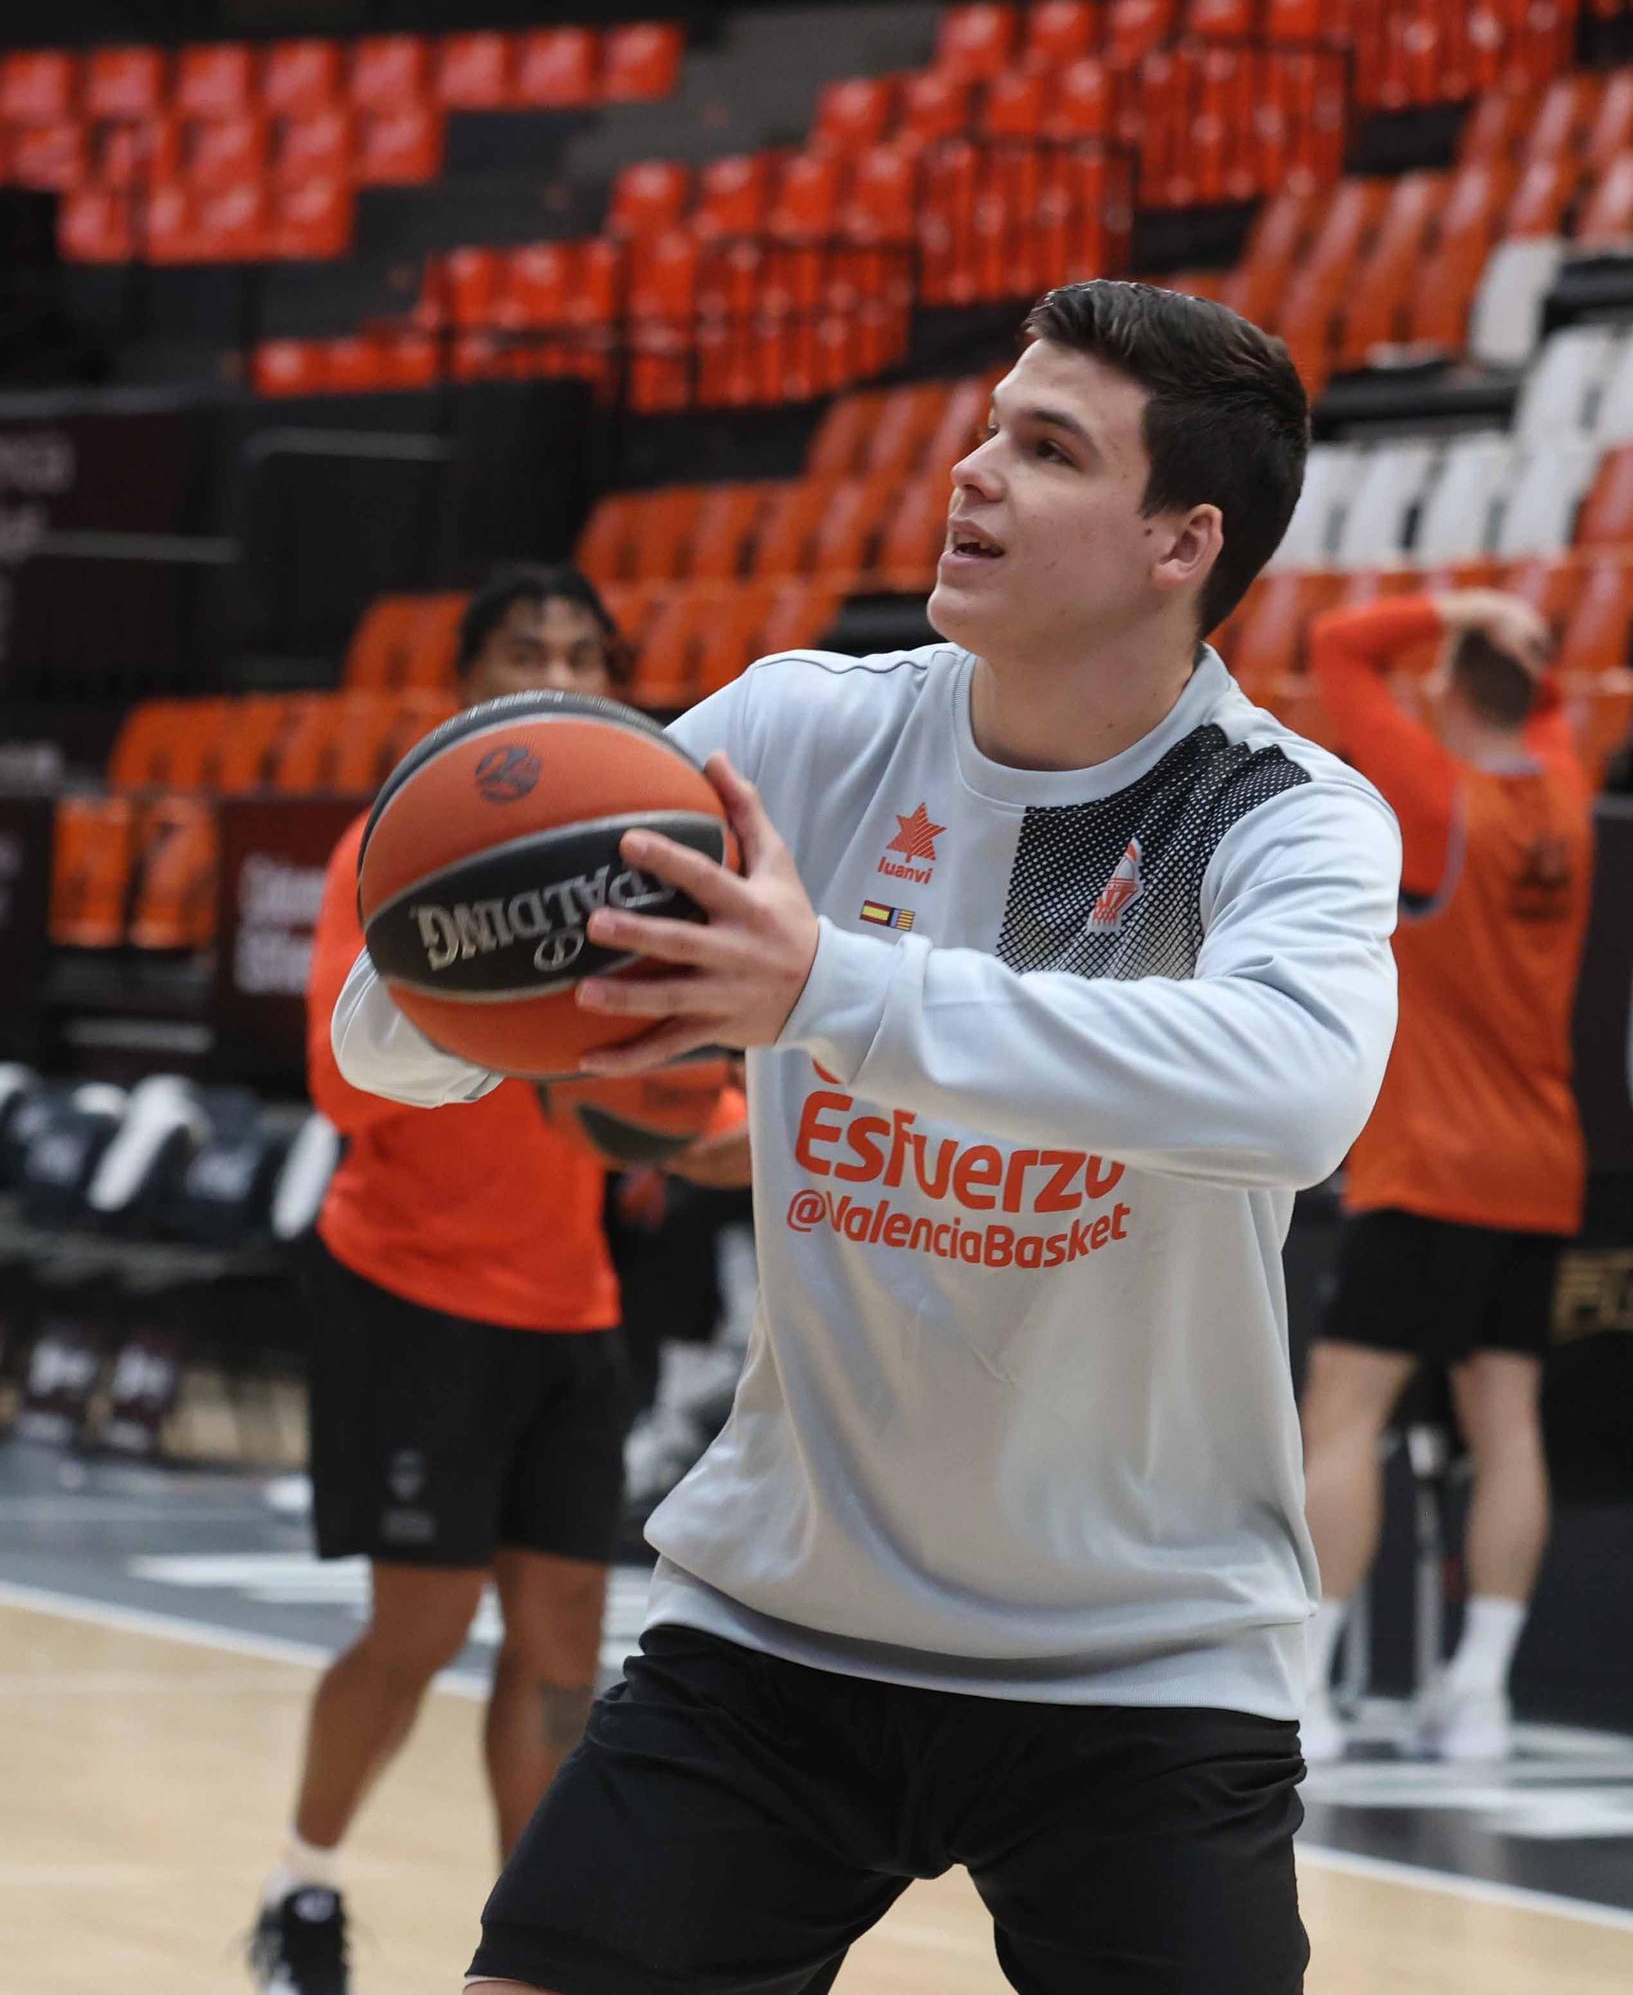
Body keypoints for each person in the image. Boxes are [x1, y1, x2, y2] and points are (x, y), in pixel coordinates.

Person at [334, 282, 1403, 1995]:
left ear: (1176, 542)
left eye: (1044, 451)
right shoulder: (797, 735)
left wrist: (825, 985)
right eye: (987, 426)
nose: (969, 472)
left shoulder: (1274, 815)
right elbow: (393, 1052)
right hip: (778, 1624)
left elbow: (1293, 1094)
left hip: (1137, 1658)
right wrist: (447, 982)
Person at [251, 566, 746, 1995]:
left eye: (586, 653)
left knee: (563, 1643)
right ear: (468, 683)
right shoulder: (403, 856)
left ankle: (534, 1950)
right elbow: (356, 1082)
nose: (560, 672)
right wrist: (563, 1079)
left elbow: (676, 1085)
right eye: (528, 651)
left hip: (568, 1303)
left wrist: (723, 1139)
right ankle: (302, 1888)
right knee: (416, 1631)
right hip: (407, 1285)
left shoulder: (627, 868)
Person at [1298, 588, 1594, 1764]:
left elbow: (1335, 647)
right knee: (1507, 1421)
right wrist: (1517, 634)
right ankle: (1479, 1693)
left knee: (1345, 1418)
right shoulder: (1566, 797)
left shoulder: (1434, 799)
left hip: (1429, 1165)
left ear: (1447, 682)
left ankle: (1308, 1692)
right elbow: (1544, 695)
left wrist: (1459, 604)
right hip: (1542, 1163)